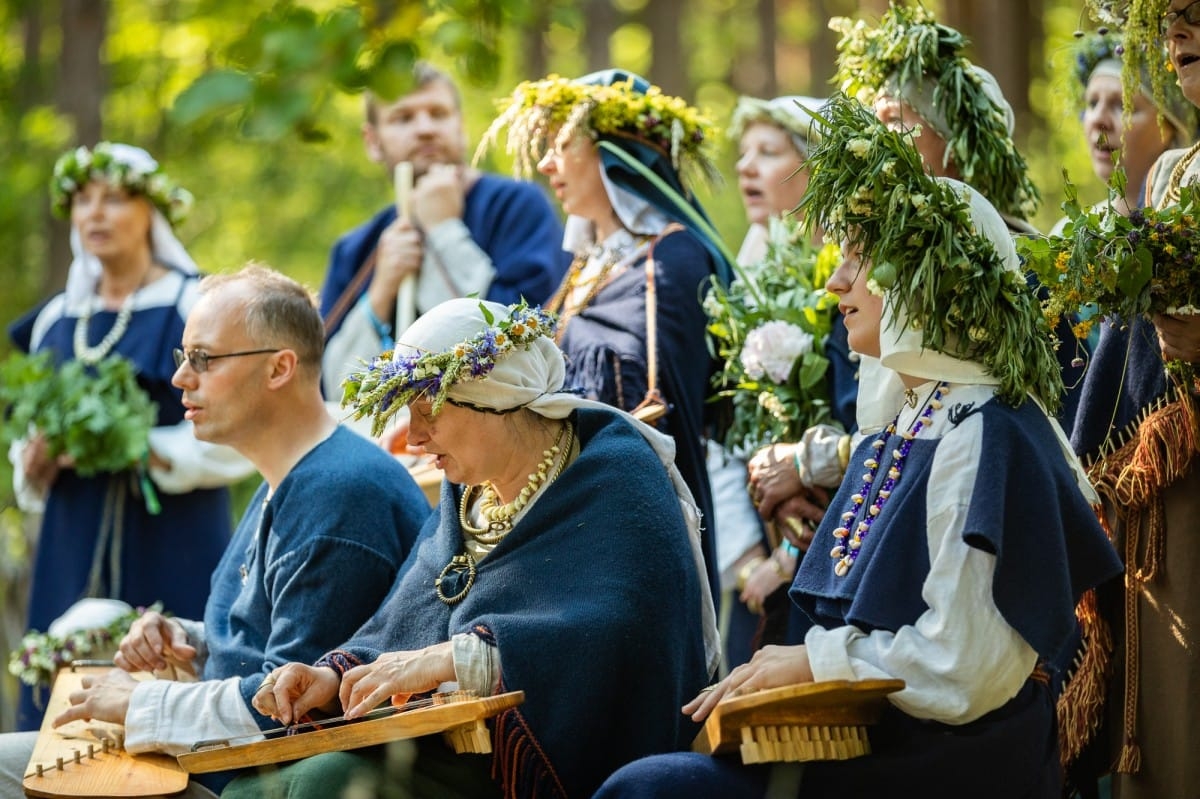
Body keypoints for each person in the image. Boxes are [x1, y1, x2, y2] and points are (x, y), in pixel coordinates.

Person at [592, 95, 1122, 799]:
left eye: (861, 260)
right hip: (874, 735)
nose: (836, 280)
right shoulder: (916, 416)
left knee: (650, 790)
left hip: (942, 763)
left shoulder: (985, 434)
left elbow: (963, 667)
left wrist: (813, 664)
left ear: (924, 282)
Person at [221, 297, 718, 799]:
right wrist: (332, 675)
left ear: (494, 395)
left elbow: (625, 630)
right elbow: (407, 619)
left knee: (323, 783)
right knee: (250, 788)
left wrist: (463, 658)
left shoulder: (614, 469)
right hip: (448, 743)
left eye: (427, 411)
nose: (413, 437)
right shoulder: (465, 495)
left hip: (552, 760)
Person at [0, 264, 431, 798]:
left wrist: (138, 704)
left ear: (279, 369)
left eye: (203, 359)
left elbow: (288, 708)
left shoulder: (342, 495)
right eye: (184, 358)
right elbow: (264, 646)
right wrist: (189, 641)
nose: (181, 377)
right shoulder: (295, 477)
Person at [747, 2, 1079, 556]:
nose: (878, 146)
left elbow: (1003, 423)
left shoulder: (1021, 271)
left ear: (956, 145)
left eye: (898, 123)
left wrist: (818, 460)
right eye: (873, 127)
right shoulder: (862, 268)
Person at [5, 142, 254, 730]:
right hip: (73, 535)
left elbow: (239, 430)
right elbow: (28, 434)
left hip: (171, 534)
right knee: (62, 712)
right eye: (83, 201)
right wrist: (33, 464)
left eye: (114, 198)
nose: (95, 213)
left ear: (153, 212)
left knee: (171, 680)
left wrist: (148, 448)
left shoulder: (194, 304)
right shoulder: (56, 320)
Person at [475, 68, 736, 605]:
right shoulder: (583, 271)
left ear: (616, 154)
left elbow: (658, 405)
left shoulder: (671, 262)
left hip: (635, 523)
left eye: (562, 145)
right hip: (567, 521)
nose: (546, 164)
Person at [1062, 2, 1200, 795]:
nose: (1175, 34)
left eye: (1189, 15)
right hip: (1165, 516)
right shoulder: (1177, 178)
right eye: (1166, 20)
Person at [319, 61, 569, 399]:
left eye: (438, 113)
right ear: (373, 141)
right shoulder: (356, 248)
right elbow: (329, 388)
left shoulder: (518, 207)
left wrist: (443, 230)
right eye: (403, 118)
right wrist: (381, 290)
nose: (425, 128)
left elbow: (528, 342)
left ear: (461, 127)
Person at [715, 95, 853, 671]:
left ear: (816, 168)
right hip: (761, 554)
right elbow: (724, 436)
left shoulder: (852, 283)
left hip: (841, 545)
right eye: (743, 153)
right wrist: (749, 556)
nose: (746, 167)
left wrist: (800, 550)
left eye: (769, 152)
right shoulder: (744, 289)